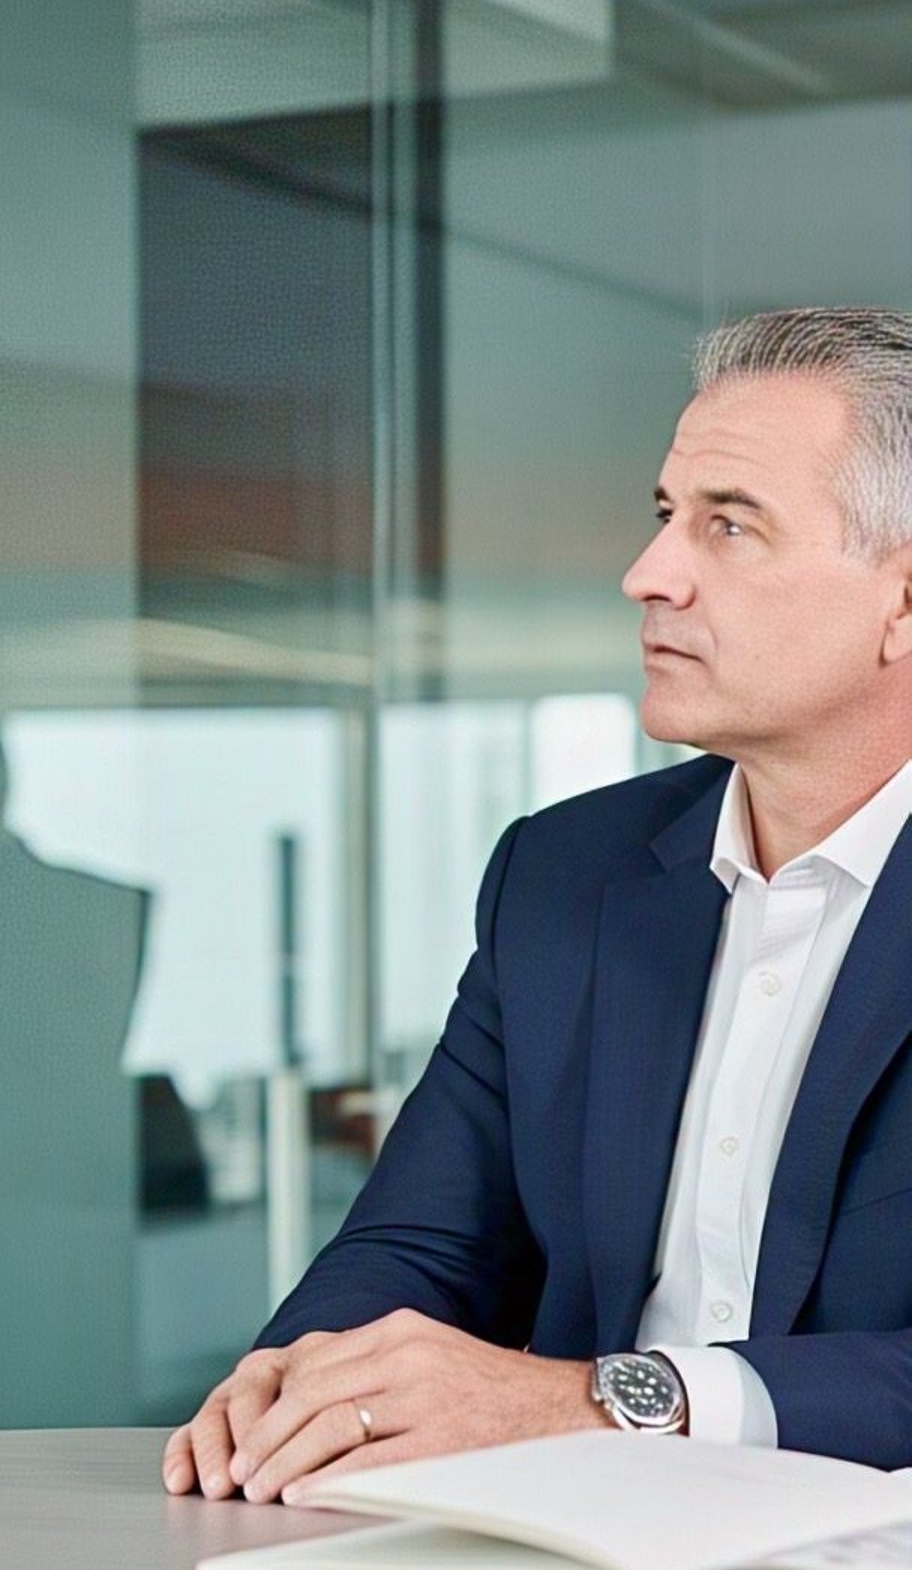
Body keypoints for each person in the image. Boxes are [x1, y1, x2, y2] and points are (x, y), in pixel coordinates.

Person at [164, 305, 912, 1504]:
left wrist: (601, 1401)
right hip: (571, 1563)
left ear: (904, 600)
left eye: (732, 524)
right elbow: (422, 1245)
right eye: (668, 515)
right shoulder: (564, 875)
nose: (650, 572)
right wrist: (303, 1387)